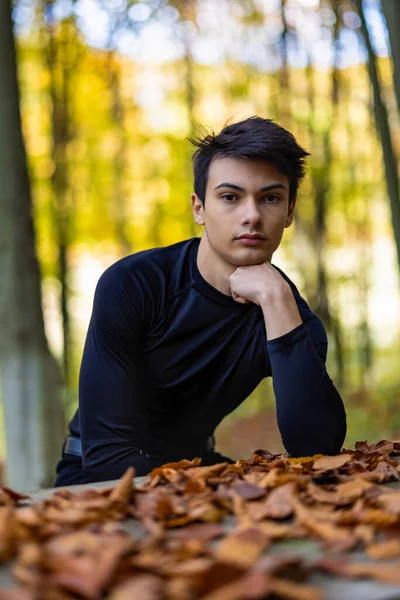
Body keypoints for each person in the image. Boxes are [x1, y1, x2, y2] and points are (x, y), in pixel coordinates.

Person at [55, 116, 346, 486]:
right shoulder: (135, 284)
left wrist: (276, 302)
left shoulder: (288, 314)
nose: (252, 215)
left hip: (193, 467)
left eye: (270, 198)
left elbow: (317, 446)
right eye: (230, 197)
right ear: (199, 208)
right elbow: (107, 457)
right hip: (96, 478)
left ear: (289, 212)